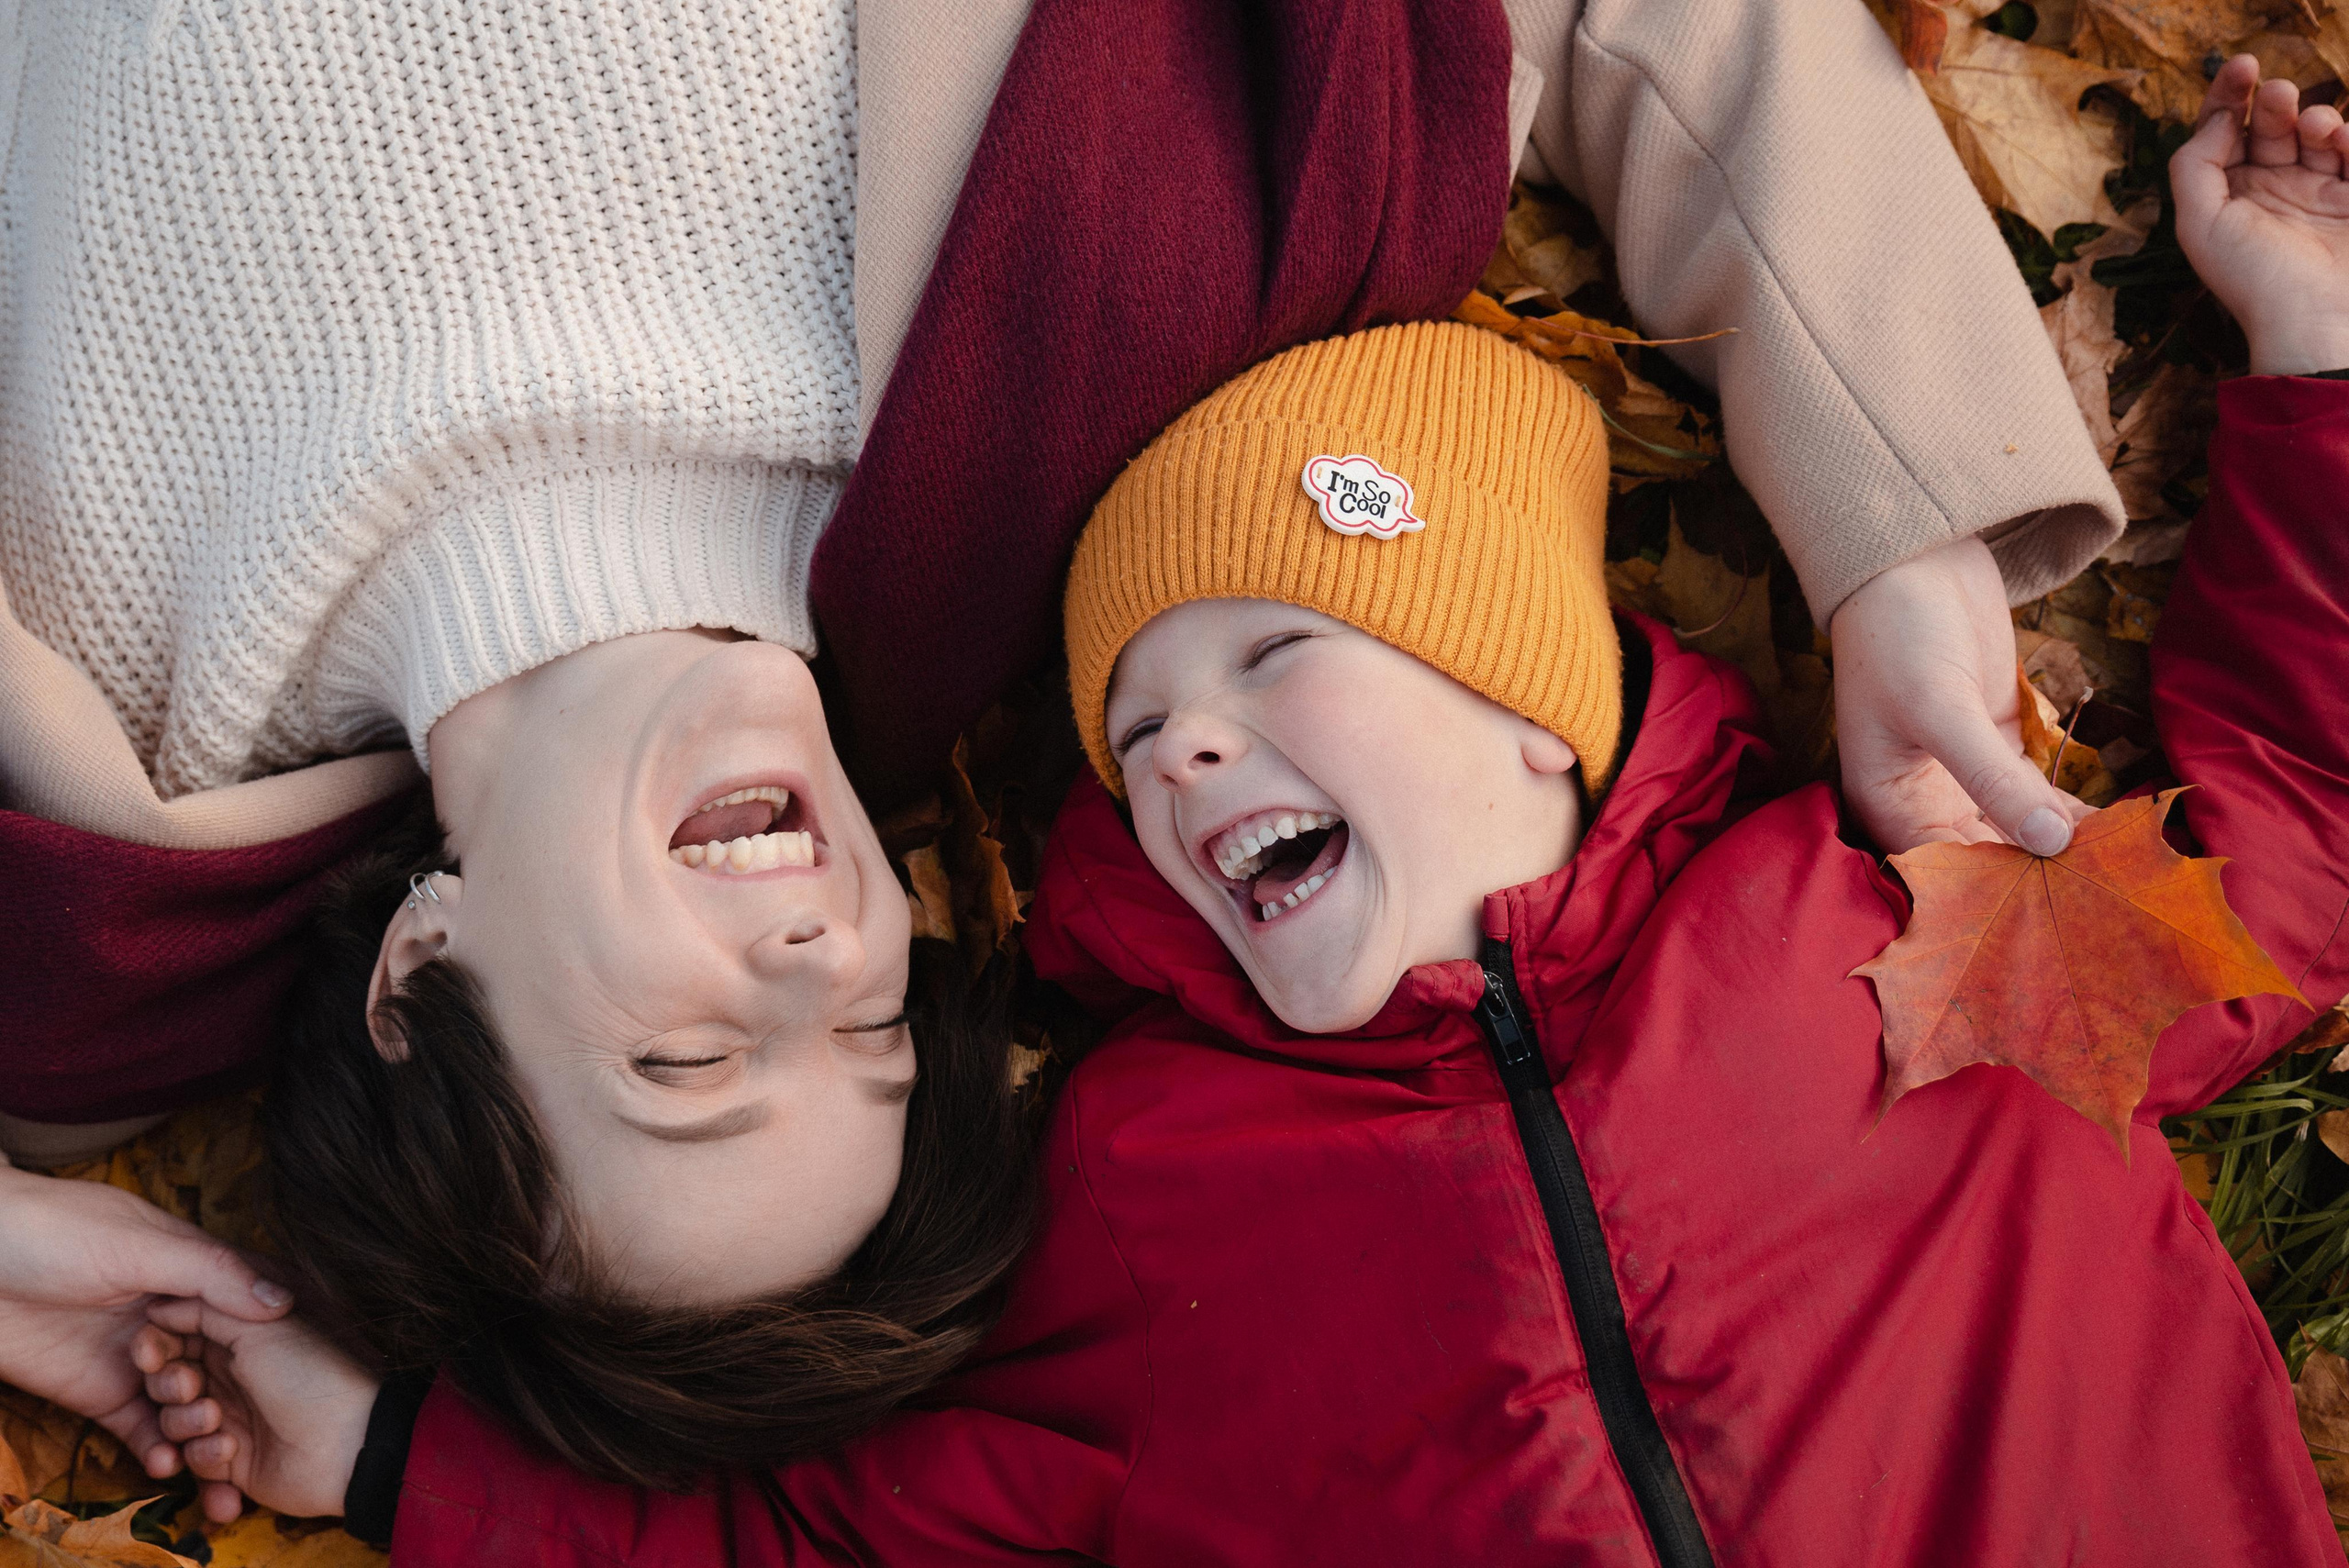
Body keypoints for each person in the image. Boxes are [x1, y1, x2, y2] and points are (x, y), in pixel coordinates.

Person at [136, 55, 2349, 1562]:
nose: (1183, 750)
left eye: (1272, 665)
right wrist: (385, 1455)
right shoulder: (1143, 1190)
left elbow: (2293, 832)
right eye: (1137, 724)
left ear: (1538, 727)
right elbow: (832, 1541)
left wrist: (2310, 367)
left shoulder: (1895, 926)